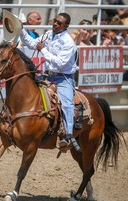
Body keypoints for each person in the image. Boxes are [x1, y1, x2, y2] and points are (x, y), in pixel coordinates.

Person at [20, 13, 80, 151]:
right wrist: (21, 29)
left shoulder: (68, 42)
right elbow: (31, 44)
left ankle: (68, 134)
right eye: (55, 21)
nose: (55, 24)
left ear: (65, 26)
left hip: (63, 78)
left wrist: (44, 50)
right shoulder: (48, 34)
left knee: (66, 103)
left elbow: (60, 63)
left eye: (59, 23)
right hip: (48, 75)